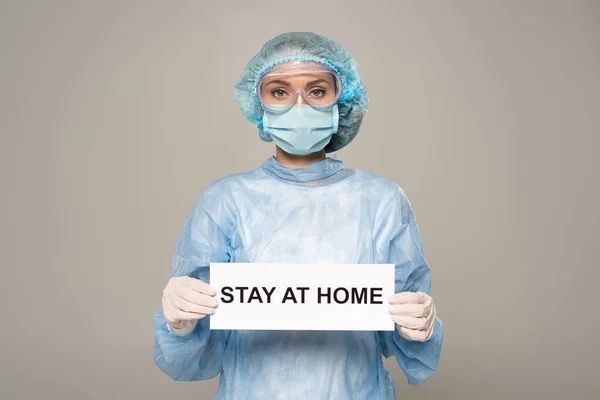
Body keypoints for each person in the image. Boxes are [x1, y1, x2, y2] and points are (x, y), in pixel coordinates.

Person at [153, 32, 443, 399]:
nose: (300, 105)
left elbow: (407, 345)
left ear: (342, 102)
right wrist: (180, 324)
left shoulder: (381, 201)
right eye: (279, 92)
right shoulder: (226, 201)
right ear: (260, 105)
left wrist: (418, 325)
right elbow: (195, 356)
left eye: (318, 91)